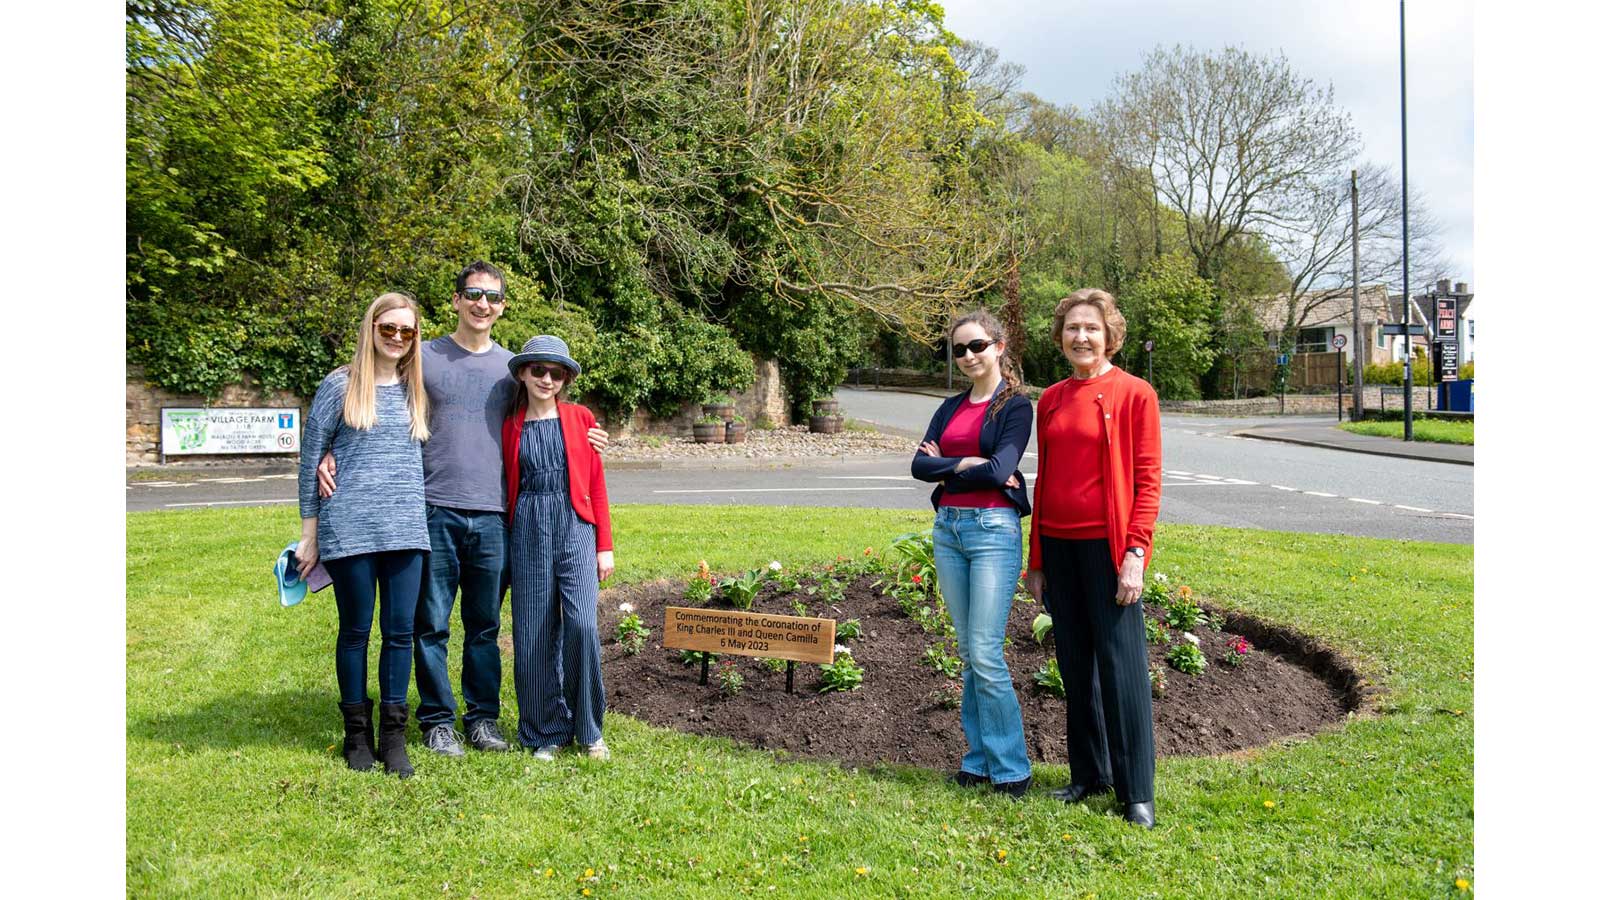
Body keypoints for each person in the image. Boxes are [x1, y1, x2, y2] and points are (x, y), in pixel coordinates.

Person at [317, 262, 608, 759]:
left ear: (502, 307)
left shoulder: (516, 368)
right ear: (455, 300)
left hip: (495, 515)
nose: (482, 304)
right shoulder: (422, 358)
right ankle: (437, 721)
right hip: (431, 509)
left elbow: (551, 413)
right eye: (472, 294)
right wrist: (331, 446)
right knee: (429, 624)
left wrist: (589, 435)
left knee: (485, 628)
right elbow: (369, 381)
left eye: (492, 297)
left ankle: (482, 719)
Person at [1024, 288, 1162, 828]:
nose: (1081, 336)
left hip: (1108, 550)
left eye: (1092, 328)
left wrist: (1135, 553)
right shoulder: (1052, 399)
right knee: (1075, 665)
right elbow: (1048, 478)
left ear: (1110, 336)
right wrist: (1036, 559)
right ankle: (1088, 774)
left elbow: (1148, 481)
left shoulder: (1135, 393)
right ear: (1060, 336)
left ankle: (1136, 792)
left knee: (1121, 668)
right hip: (1058, 546)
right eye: (1073, 327)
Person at [297, 292, 432, 778]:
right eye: (388, 328)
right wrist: (308, 534)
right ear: (370, 328)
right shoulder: (340, 385)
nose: (397, 338)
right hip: (349, 527)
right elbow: (311, 458)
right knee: (355, 632)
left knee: (399, 634)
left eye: (407, 330)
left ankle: (393, 738)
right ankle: (357, 735)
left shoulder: (417, 386)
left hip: (406, 531)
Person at [911, 310, 1035, 798]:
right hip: (949, 530)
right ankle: (978, 761)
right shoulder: (949, 406)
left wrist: (950, 465)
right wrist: (963, 462)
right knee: (968, 653)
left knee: (985, 652)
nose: (968, 356)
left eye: (977, 346)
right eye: (959, 349)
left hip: (992, 531)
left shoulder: (1016, 407)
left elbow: (1002, 467)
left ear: (999, 347)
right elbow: (920, 466)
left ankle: (1011, 769)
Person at [499, 336, 615, 760]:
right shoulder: (510, 423)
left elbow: (597, 485)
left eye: (556, 372)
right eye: (539, 370)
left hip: (575, 527)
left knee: (582, 625)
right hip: (528, 527)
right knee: (532, 631)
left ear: (566, 378)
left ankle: (588, 727)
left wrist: (605, 545)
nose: (547, 379)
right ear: (523, 374)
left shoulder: (581, 418)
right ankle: (544, 729)